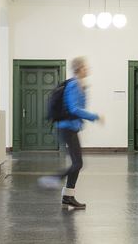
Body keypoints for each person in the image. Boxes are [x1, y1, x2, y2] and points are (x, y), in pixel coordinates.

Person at [38, 57, 100, 209]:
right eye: (85, 67)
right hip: (66, 127)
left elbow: (77, 108)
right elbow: (74, 109)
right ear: (79, 69)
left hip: (71, 127)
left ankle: (68, 196)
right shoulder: (73, 85)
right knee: (78, 163)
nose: (88, 69)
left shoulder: (79, 85)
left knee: (77, 163)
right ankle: (53, 179)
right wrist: (94, 116)